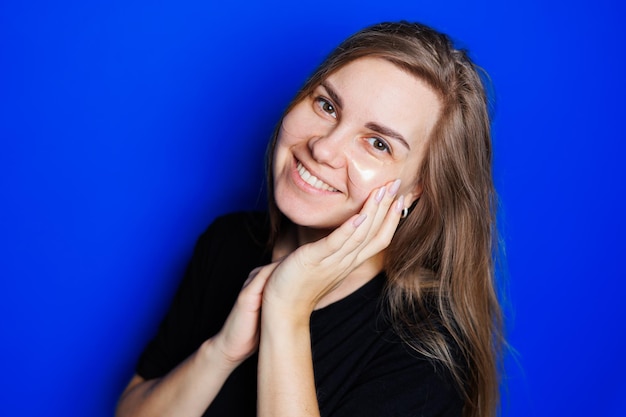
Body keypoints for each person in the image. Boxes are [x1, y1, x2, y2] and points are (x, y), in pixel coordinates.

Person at [116, 21, 504, 417]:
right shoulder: (228, 242)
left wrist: (286, 311)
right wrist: (221, 352)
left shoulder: (427, 353)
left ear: (415, 191)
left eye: (378, 143)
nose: (323, 147)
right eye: (327, 105)